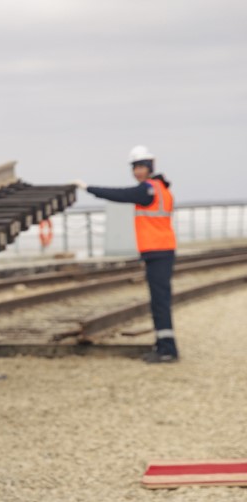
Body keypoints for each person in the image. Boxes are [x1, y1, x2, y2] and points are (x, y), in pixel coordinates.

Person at [73, 145, 178, 363]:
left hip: (158, 250)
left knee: (159, 301)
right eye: (135, 167)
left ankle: (167, 350)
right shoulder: (160, 188)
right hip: (159, 250)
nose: (137, 171)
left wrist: (88, 188)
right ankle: (163, 345)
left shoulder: (147, 190)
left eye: (141, 167)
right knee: (159, 300)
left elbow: (120, 194)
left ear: (149, 167)